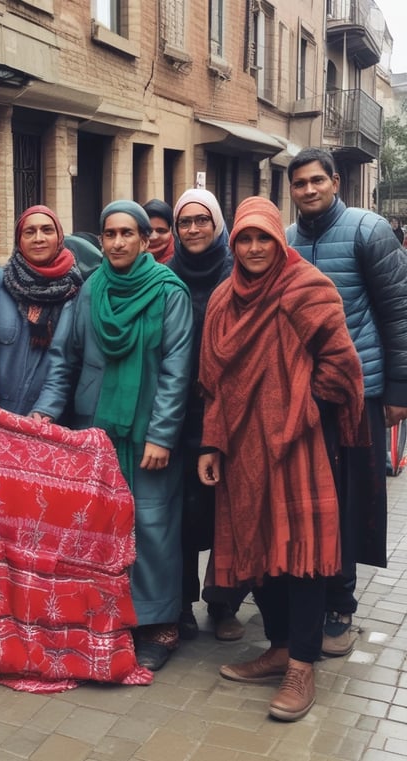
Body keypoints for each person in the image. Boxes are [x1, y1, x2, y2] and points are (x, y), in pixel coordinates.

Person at [197, 196, 364, 721]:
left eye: (263, 238)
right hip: (241, 447)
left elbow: (340, 365)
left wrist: (297, 405)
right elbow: (214, 384)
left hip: (297, 444)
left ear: (278, 239)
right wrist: (211, 442)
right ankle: (277, 647)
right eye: (244, 238)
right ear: (234, 242)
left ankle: (303, 664)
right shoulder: (224, 299)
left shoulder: (308, 288)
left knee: (303, 554)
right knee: (257, 545)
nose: (252, 248)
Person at [33, 200, 193, 671]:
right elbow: (64, 358)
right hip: (95, 432)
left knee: (152, 527)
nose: (118, 242)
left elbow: (177, 370)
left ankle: (160, 624)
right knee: (101, 526)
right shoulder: (89, 291)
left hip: (148, 435)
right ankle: (110, 614)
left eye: (128, 233)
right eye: (109, 234)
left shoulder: (169, 293)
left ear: (147, 240)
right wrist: (46, 412)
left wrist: (162, 436)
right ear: (100, 240)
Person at [286, 148, 407, 656]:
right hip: (303, 395)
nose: (309, 190)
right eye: (299, 183)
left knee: (352, 497)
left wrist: (399, 389)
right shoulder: (287, 240)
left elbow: (397, 311)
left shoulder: (368, 230)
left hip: (361, 392)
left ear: (335, 181)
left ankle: (341, 603)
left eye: (318, 180)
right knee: (312, 497)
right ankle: (308, 593)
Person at [166, 189, 247, 643]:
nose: (193, 229)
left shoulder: (237, 272)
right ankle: (178, 604)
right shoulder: (164, 276)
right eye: (185, 222)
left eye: (202, 220)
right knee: (177, 512)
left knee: (225, 512)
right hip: (178, 413)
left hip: (230, 412)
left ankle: (223, 604)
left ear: (218, 223)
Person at [0, 205, 83, 417]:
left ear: (59, 237)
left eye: (47, 230)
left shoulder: (75, 290)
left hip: (49, 420)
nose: (38, 238)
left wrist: (46, 408)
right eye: (30, 232)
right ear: (19, 240)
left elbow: (69, 360)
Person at [142, 199, 175, 264]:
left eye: (161, 231)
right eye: (148, 231)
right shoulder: (125, 261)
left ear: (171, 231)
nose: (154, 237)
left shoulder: (185, 260)